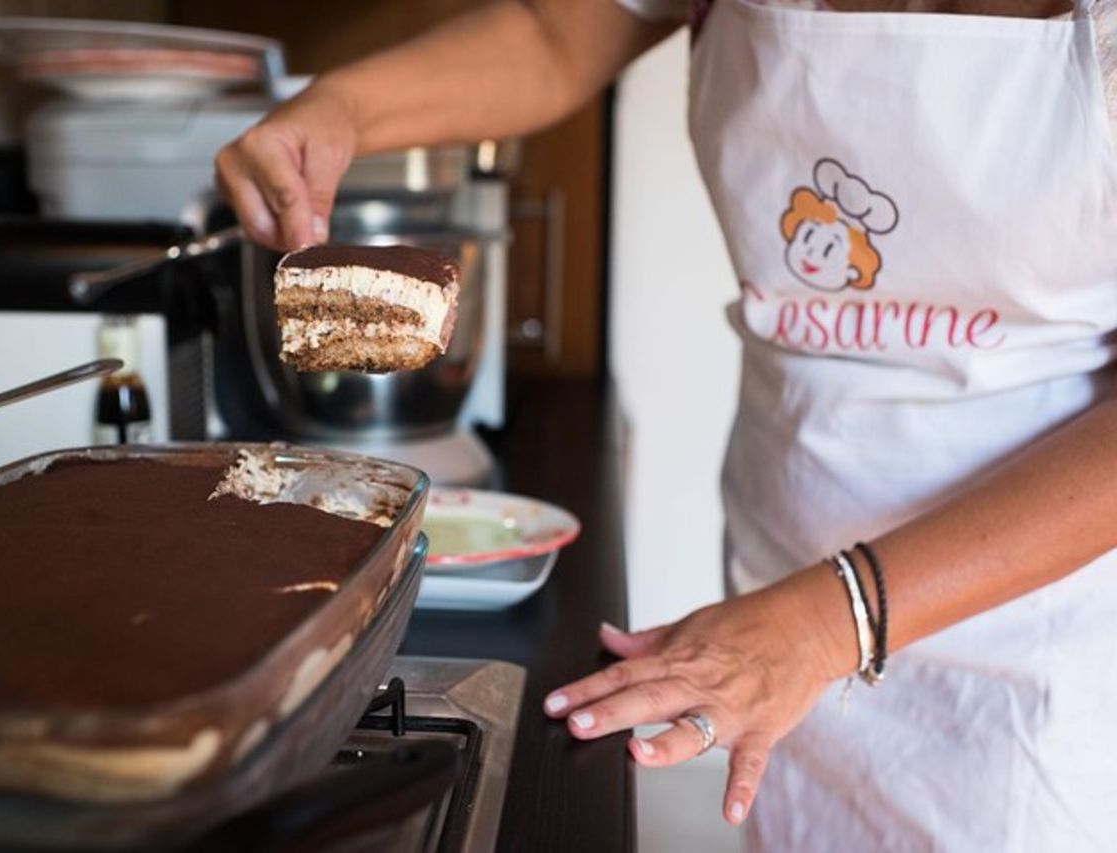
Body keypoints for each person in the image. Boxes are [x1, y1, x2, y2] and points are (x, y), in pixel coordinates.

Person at [215, 0, 1117, 848]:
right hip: (772, 589)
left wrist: (829, 621)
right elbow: (553, 32)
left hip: (1024, 639)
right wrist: (338, 109)